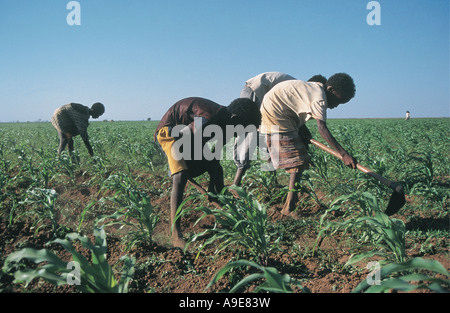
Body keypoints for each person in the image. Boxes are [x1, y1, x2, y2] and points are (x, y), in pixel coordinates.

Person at [154, 97, 261, 248]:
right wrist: (185, 165)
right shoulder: (207, 119)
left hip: (192, 137)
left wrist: (212, 188)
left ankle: (221, 204)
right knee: (181, 176)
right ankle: (175, 233)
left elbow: (215, 157)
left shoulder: (229, 124)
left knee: (216, 167)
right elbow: (186, 139)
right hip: (170, 132)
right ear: (235, 119)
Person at [260, 73, 357, 218]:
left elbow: (295, 106)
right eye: (338, 101)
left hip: (279, 110)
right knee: (297, 163)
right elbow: (322, 128)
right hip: (276, 114)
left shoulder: (314, 88)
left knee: (300, 158)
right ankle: (288, 208)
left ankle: (291, 202)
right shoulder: (320, 98)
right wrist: (344, 154)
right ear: (330, 89)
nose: (336, 106)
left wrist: (302, 131)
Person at [234, 72, 296, 186]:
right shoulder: (301, 91)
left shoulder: (302, 90)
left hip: (265, 95)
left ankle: (272, 182)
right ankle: (236, 184)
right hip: (256, 91)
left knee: (268, 136)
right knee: (248, 133)